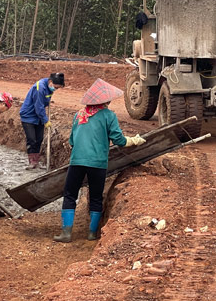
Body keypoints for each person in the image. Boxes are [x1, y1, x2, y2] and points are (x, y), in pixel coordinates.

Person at [53, 79, 146, 243]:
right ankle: (92, 233)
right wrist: (133, 141)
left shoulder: (79, 115)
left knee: (70, 195)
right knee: (96, 197)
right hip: (98, 163)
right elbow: (119, 140)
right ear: (106, 101)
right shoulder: (109, 116)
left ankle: (66, 233)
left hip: (77, 162)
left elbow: (72, 141)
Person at [19, 73, 64, 169]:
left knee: (39, 139)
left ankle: (36, 161)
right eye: (55, 87)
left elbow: (43, 105)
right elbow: (38, 107)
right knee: (32, 139)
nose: (55, 89)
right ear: (51, 82)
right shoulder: (39, 88)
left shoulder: (49, 86)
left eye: (58, 88)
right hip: (28, 116)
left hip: (38, 116)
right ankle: (32, 161)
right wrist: (45, 120)